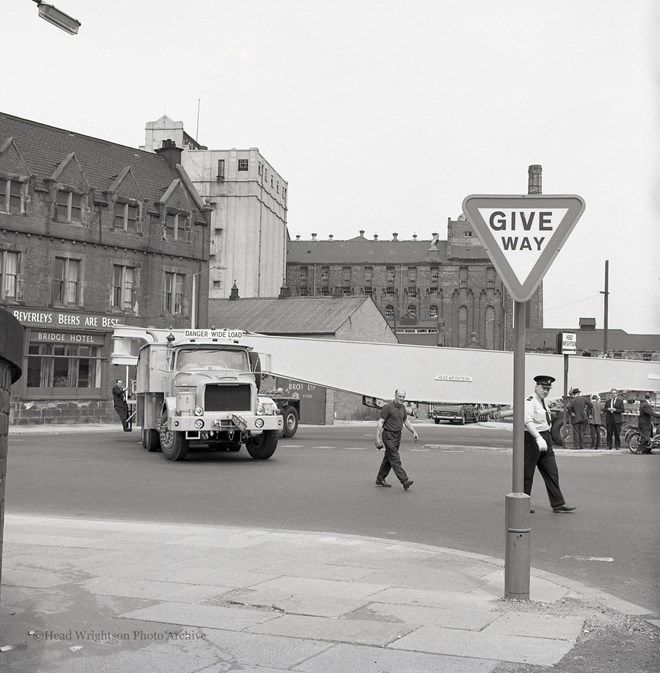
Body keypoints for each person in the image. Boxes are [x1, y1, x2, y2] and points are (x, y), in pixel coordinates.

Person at [524, 375, 576, 513]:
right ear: (536, 387)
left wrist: (544, 438)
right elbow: (528, 422)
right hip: (533, 439)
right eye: (543, 388)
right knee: (527, 474)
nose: (545, 391)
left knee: (552, 472)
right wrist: (537, 438)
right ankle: (522, 503)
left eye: (548, 389)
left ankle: (558, 504)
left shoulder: (543, 402)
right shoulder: (530, 401)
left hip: (545, 438)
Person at [375, 388, 417, 490]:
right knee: (395, 458)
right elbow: (381, 422)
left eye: (403, 397)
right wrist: (377, 437)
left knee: (388, 458)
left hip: (397, 436)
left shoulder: (402, 408)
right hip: (388, 435)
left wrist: (414, 431)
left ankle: (380, 478)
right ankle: (404, 480)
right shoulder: (388, 407)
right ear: (395, 395)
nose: (402, 398)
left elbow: (406, 421)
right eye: (400, 396)